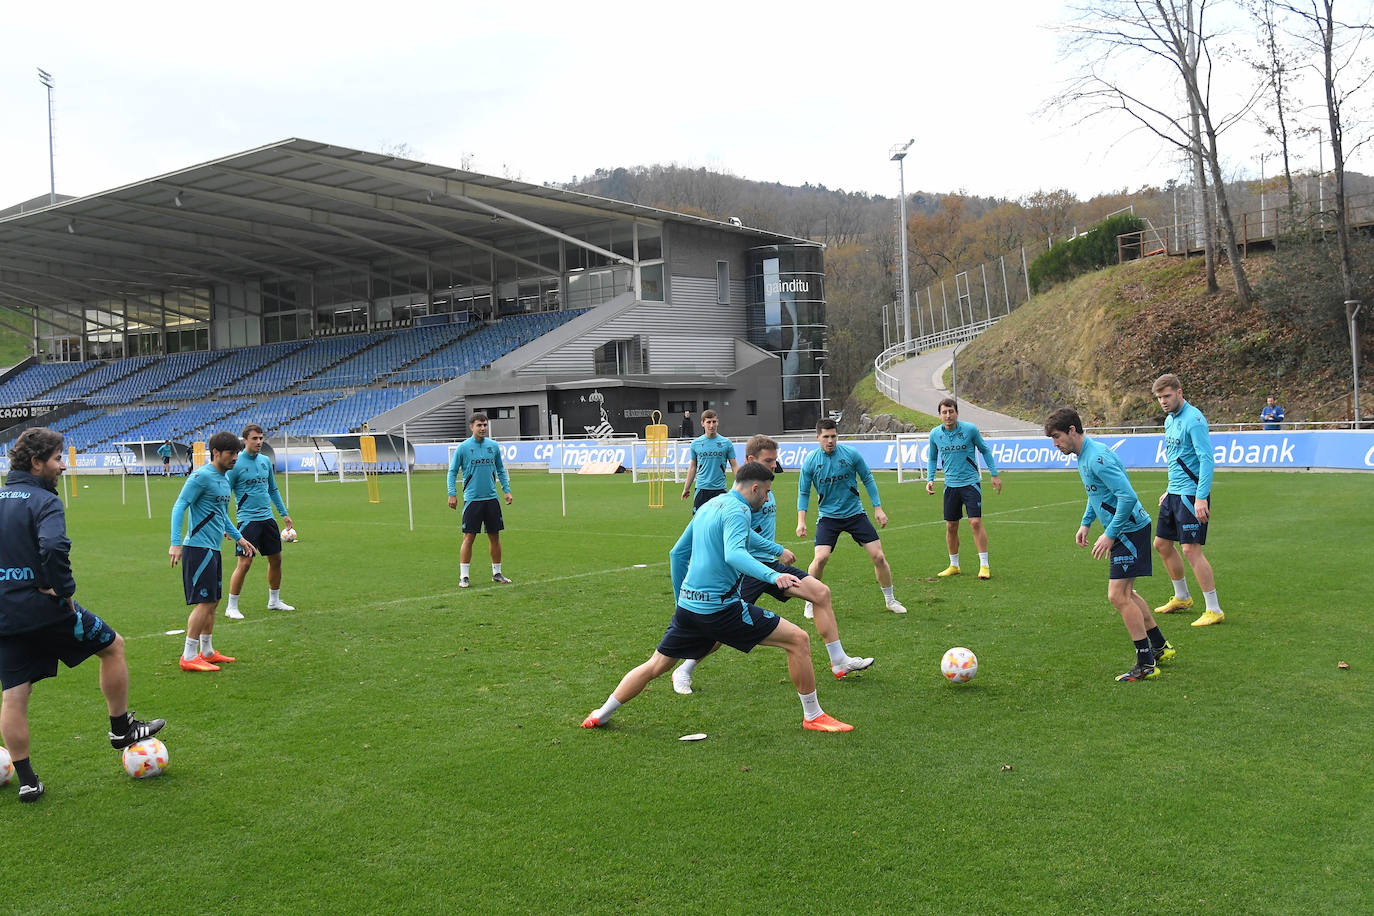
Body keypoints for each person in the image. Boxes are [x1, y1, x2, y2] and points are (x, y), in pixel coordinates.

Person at [583, 461, 853, 733]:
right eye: (767, 492)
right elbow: (734, 553)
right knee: (798, 640)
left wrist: (681, 602)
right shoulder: (740, 510)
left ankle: (601, 713)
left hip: (689, 609)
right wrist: (773, 576)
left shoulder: (710, 506)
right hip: (720, 609)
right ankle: (813, 715)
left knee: (655, 665)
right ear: (755, 488)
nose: (768, 498)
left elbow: (677, 554)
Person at [0, 428, 164, 801]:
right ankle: (121, 729)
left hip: (5, 612)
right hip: (46, 610)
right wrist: (62, 589)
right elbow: (55, 545)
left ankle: (27, 780)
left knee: (14, 694)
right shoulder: (43, 500)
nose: (63, 465)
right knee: (113, 646)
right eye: (57, 458)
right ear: (37, 462)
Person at [670, 435, 874, 695]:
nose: (773, 466)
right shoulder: (740, 498)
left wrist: (777, 550)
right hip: (746, 571)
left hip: (770, 566)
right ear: (750, 461)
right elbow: (738, 542)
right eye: (768, 461)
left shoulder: (764, 486)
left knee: (820, 593)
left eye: (775, 460)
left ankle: (839, 661)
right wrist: (772, 552)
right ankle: (683, 670)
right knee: (719, 631)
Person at [1045, 408, 1175, 682]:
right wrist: (1086, 522)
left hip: (1129, 530)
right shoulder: (1084, 455)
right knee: (1127, 593)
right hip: (1127, 529)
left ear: (1072, 430)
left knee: (1117, 596)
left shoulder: (1097, 458)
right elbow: (1097, 495)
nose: (1054, 444)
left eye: (1056, 437)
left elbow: (1126, 496)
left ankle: (1146, 663)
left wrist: (1111, 533)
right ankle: (1160, 646)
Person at [796, 418, 906, 615]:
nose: (830, 441)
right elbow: (803, 492)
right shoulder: (811, 461)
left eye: (833, 436)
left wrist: (878, 508)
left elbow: (867, 479)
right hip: (828, 517)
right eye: (826, 437)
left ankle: (890, 600)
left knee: (879, 557)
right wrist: (801, 521)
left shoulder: (851, 454)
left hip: (855, 514)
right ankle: (810, 601)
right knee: (820, 558)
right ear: (818, 438)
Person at [170, 431, 256, 672]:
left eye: (237, 453)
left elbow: (220, 515)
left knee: (214, 601)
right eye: (231, 453)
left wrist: (240, 538)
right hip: (197, 548)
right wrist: (175, 543)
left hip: (213, 548)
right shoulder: (200, 476)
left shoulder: (223, 479)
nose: (235, 458)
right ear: (216, 453)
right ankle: (188, 655)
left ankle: (206, 651)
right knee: (204, 603)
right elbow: (179, 506)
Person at [1150, 374, 1225, 627]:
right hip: (1174, 493)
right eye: (1159, 398)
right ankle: (1182, 597)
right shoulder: (1169, 421)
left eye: (1167, 396)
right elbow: (1177, 458)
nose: (1163, 401)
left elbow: (1206, 459)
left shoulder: (1194, 420)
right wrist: (1169, 489)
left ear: (1179, 393)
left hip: (1192, 496)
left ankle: (1214, 609)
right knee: (1161, 544)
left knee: (1191, 550)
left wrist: (1201, 497)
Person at [924, 398, 1003, 579]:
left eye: (951, 411)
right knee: (951, 526)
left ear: (957, 413)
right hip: (950, 485)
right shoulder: (935, 434)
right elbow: (932, 458)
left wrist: (994, 474)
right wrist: (930, 479)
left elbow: (985, 450)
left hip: (970, 483)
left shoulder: (969, 430)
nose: (948, 415)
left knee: (975, 522)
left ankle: (984, 565)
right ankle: (954, 565)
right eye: (944, 412)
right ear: (939, 415)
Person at [224, 424, 295, 620]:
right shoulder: (236, 465)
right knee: (245, 562)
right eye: (254, 438)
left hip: (268, 519)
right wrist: (226, 525)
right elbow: (224, 493)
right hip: (248, 521)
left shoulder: (265, 461)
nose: (259, 442)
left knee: (276, 559)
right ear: (245, 440)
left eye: (261, 438)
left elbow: (273, 489)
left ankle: (274, 601)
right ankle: (231, 606)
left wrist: (284, 513)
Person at [447, 413, 514, 588]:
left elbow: (500, 469)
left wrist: (506, 491)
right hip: (472, 500)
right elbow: (452, 471)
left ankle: (497, 573)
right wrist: (452, 493)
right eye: (479, 425)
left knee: (495, 536)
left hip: (491, 499)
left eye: (485, 425)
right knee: (469, 537)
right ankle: (464, 576)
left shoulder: (493, 446)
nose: (483, 428)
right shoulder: (463, 448)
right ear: (471, 427)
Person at [681, 409, 737, 512]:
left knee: (719, 522)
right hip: (702, 488)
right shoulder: (695, 444)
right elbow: (693, 467)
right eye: (708, 422)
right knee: (698, 521)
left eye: (714, 422)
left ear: (717, 422)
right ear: (702, 423)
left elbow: (734, 465)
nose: (711, 425)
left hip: (720, 489)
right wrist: (686, 488)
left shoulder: (726, 443)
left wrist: (740, 484)